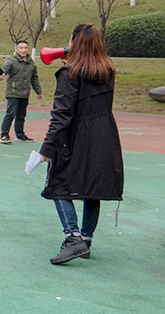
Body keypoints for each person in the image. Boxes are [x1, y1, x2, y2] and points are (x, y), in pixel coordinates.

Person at [40, 24, 123, 265]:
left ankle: (72, 237)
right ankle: (85, 241)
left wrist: (47, 149)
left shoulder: (70, 74)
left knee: (57, 184)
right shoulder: (108, 71)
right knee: (92, 187)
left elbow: (62, 115)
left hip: (76, 136)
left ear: (76, 44)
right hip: (104, 133)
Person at [0, 40, 44, 144]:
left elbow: (34, 78)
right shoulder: (11, 60)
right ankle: (4, 135)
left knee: (21, 115)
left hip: (25, 93)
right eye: (21, 48)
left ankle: (20, 135)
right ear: (16, 49)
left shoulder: (30, 62)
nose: (23, 50)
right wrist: (2, 74)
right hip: (13, 93)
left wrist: (39, 91)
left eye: (25, 48)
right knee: (10, 114)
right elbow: (4, 69)